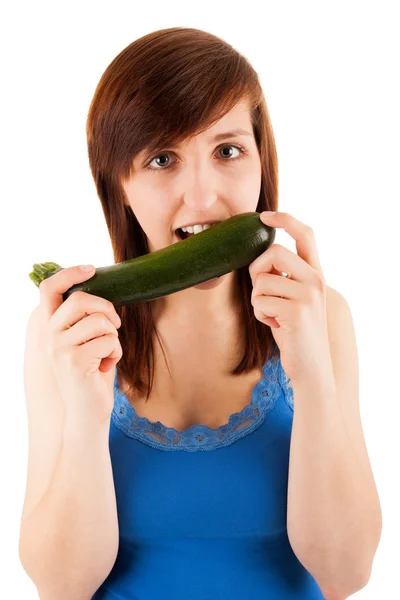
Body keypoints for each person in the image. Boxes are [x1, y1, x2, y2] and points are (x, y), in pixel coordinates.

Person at [19, 27, 371, 599]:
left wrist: (312, 375)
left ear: (262, 161)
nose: (203, 197)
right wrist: (86, 417)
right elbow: (62, 588)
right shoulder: (67, 331)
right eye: (162, 159)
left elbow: (346, 573)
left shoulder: (322, 317)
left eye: (227, 150)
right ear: (120, 187)